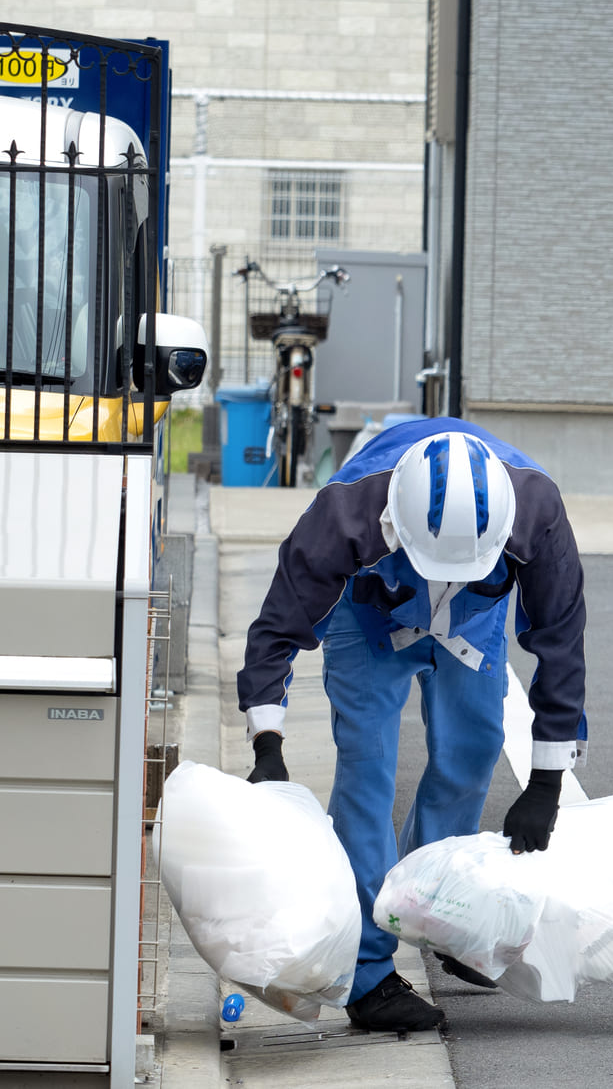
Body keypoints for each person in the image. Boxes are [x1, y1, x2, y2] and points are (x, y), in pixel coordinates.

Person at [236, 418, 587, 1032]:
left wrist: (548, 782)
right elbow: (277, 628)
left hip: (473, 618)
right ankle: (369, 976)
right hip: (369, 616)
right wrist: (268, 743)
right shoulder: (345, 511)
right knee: (368, 769)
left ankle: (435, 915)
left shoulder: (536, 510)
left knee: (473, 747)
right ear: (394, 524)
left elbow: (561, 644)